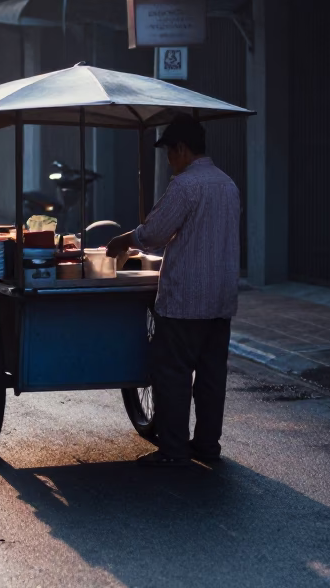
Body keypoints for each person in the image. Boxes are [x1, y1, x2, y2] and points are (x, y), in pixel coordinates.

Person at [105, 113, 241, 468]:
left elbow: (153, 234)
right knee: (211, 377)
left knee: (173, 373)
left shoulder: (185, 186)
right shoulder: (228, 184)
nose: (169, 162)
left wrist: (123, 240)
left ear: (181, 149)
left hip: (185, 300)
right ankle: (208, 447)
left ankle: (175, 449)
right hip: (221, 298)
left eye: (169, 153)